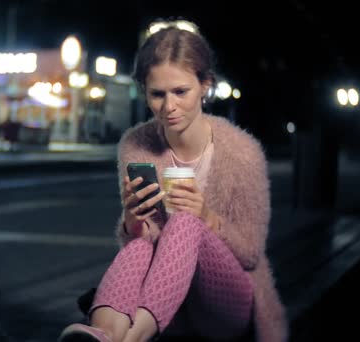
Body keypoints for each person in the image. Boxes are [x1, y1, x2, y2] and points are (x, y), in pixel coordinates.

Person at [58, 21, 287, 342]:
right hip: (165, 304)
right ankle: (105, 334)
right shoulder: (136, 145)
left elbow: (250, 254)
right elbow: (143, 244)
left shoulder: (243, 152)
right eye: (157, 94)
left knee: (185, 224)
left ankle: (131, 338)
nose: (169, 107)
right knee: (139, 245)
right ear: (145, 93)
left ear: (205, 85)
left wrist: (207, 218)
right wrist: (134, 222)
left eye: (181, 91)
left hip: (227, 306)